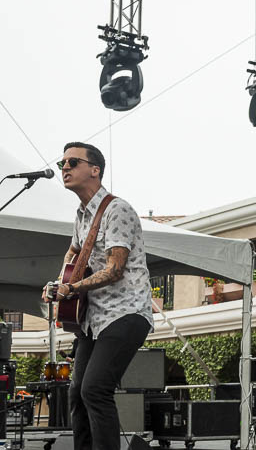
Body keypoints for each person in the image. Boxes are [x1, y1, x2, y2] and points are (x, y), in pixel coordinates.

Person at [43, 142, 153, 450]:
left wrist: (72, 288)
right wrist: (59, 282)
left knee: (94, 389)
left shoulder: (117, 210)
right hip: (93, 319)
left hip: (126, 313)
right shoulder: (81, 216)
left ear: (95, 170)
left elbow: (115, 269)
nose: (64, 168)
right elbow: (73, 252)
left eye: (73, 162)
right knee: (77, 394)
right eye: (62, 163)